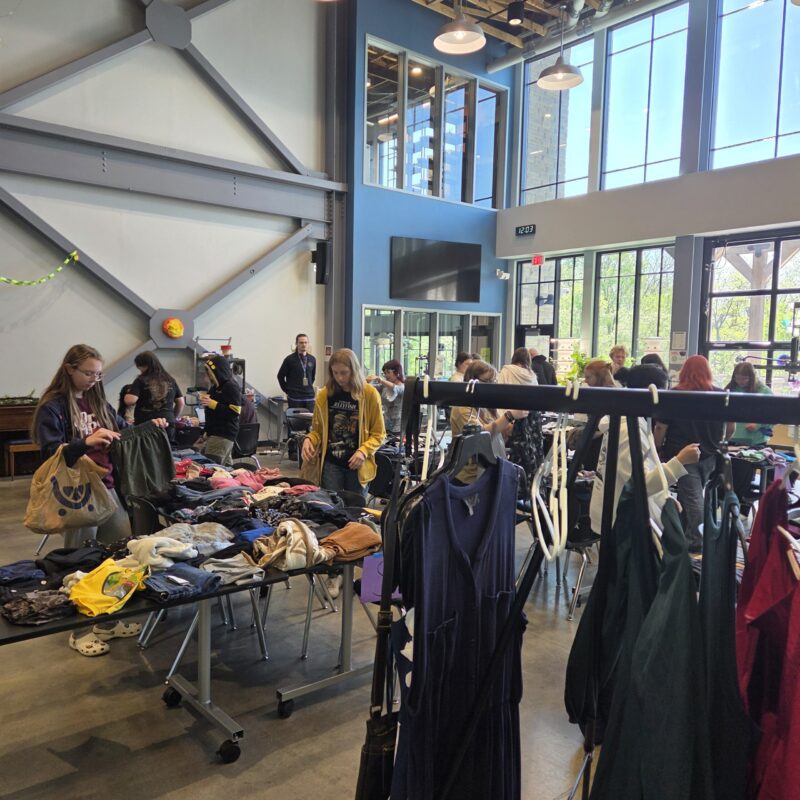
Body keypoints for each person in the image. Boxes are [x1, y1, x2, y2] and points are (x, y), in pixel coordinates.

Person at [32, 344, 168, 656]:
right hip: (76, 495)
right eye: (88, 373)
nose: (94, 378)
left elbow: (125, 433)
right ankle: (78, 632)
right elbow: (49, 452)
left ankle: (106, 622)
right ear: (69, 369)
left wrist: (151, 426)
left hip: (107, 489)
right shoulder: (53, 407)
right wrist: (86, 442)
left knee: (118, 558)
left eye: (98, 373)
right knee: (80, 563)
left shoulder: (98, 401)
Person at [590, 365, 700, 535]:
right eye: (663, 393)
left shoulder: (630, 423)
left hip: (618, 513)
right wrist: (680, 461)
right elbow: (638, 484)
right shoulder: (628, 431)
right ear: (652, 393)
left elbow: (640, 471)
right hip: (621, 519)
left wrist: (664, 498)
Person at [654, 355, 724, 552]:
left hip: (683, 454)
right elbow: (731, 428)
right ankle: (690, 535)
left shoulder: (675, 395)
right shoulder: (718, 394)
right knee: (694, 497)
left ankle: (697, 542)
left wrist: (656, 448)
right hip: (709, 453)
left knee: (694, 500)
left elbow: (660, 427)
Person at [301, 348, 385, 496]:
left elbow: (379, 434)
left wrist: (363, 451)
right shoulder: (324, 395)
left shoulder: (369, 394)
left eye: (344, 373)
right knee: (331, 510)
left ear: (354, 370)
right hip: (331, 465)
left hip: (358, 465)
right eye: (335, 373)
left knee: (355, 510)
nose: (340, 378)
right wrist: (309, 440)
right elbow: (317, 431)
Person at [449, 360, 528, 483]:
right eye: (488, 381)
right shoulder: (462, 407)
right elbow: (480, 436)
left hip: (488, 473)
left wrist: (515, 425)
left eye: (494, 381)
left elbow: (499, 433)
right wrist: (509, 416)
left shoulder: (486, 406)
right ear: (474, 381)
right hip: (469, 479)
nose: (493, 385)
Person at [498, 348, 543, 485]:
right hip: (528, 420)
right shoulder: (532, 375)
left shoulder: (506, 371)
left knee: (509, 453)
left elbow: (500, 397)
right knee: (527, 455)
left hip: (510, 416)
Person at [124, 351, 184, 441]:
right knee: (167, 451)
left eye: (139, 367)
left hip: (146, 425)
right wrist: (172, 417)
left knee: (147, 452)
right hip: (167, 423)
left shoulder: (141, 380)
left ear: (144, 365)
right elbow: (181, 402)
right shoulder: (170, 379)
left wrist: (127, 394)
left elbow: (130, 400)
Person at [199, 354, 242, 466]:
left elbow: (234, 412)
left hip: (222, 434)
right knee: (226, 470)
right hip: (215, 433)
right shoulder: (216, 387)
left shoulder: (230, 386)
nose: (207, 375)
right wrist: (206, 432)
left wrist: (213, 404)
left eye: (209, 372)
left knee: (211, 467)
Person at [725, 362, 773, 446]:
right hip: (731, 438)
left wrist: (758, 424)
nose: (740, 382)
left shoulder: (764, 391)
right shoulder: (730, 389)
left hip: (755, 441)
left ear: (752, 377)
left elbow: (773, 416)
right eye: (737, 378)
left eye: (744, 379)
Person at [277, 333, 316, 411]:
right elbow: (280, 376)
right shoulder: (289, 359)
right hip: (295, 398)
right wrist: (288, 390)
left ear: (308, 344)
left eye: (306, 342)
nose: (304, 345)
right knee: (296, 422)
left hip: (309, 397)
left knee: (309, 422)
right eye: (301, 342)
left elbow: (312, 377)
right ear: (296, 344)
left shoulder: (312, 359)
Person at [368, 359, 405, 437]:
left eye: (388, 372)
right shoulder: (384, 387)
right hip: (385, 425)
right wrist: (366, 381)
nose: (386, 375)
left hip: (398, 428)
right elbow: (370, 388)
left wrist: (381, 380)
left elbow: (396, 389)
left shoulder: (402, 387)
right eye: (384, 373)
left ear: (397, 372)